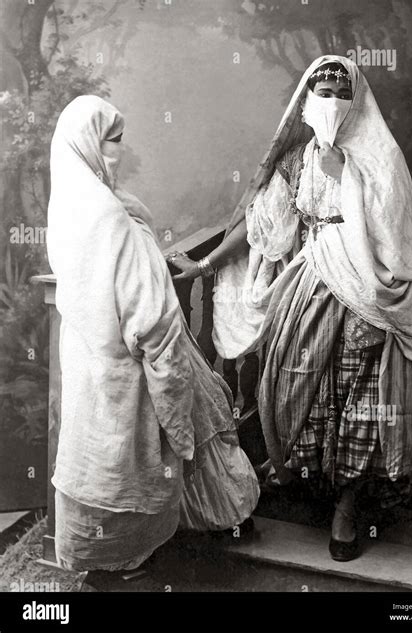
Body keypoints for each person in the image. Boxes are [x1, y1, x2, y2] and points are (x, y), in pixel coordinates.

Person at [168, 55, 412, 562]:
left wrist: (348, 177)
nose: (330, 102)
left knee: (365, 396)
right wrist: (206, 264)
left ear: (356, 100)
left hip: (371, 289)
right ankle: (317, 486)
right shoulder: (295, 160)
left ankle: (348, 507)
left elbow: (396, 231)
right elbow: (258, 226)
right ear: (306, 99)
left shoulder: (378, 156)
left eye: (340, 93)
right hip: (312, 283)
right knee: (297, 387)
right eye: (320, 93)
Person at [47, 95, 259, 572]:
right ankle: (137, 560)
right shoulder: (109, 219)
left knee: (103, 461)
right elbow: (152, 321)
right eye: (113, 141)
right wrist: (172, 393)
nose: (120, 152)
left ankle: (109, 560)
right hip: (126, 365)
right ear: (89, 146)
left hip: (90, 366)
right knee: (142, 460)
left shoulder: (69, 209)